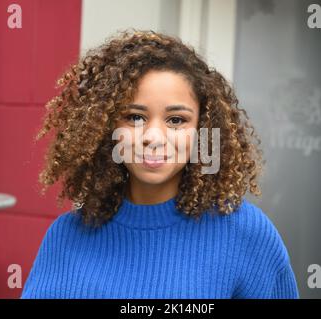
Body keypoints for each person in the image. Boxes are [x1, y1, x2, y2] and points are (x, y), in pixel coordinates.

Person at [21, 29, 299, 299]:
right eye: (134, 117)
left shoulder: (246, 234)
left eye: (176, 120)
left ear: (202, 130)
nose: (153, 137)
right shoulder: (67, 235)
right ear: (106, 128)